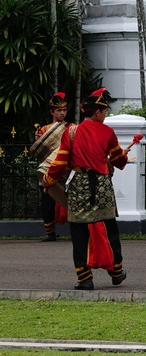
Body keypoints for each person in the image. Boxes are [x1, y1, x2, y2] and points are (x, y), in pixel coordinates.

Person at [43, 88, 139, 290]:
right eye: (104, 112)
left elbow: (60, 161)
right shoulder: (107, 133)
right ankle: (116, 272)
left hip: (79, 186)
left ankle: (84, 278)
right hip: (102, 187)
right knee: (109, 229)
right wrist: (119, 156)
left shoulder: (71, 132)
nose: (105, 116)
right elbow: (119, 161)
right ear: (97, 112)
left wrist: (48, 180)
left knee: (79, 232)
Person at [29, 92, 72, 241]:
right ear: (52, 112)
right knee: (47, 201)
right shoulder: (44, 130)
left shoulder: (71, 127)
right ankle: (50, 233)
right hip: (49, 168)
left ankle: (77, 229)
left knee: (70, 199)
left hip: (66, 169)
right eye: (59, 110)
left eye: (64, 110)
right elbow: (40, 152)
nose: (62, 113)